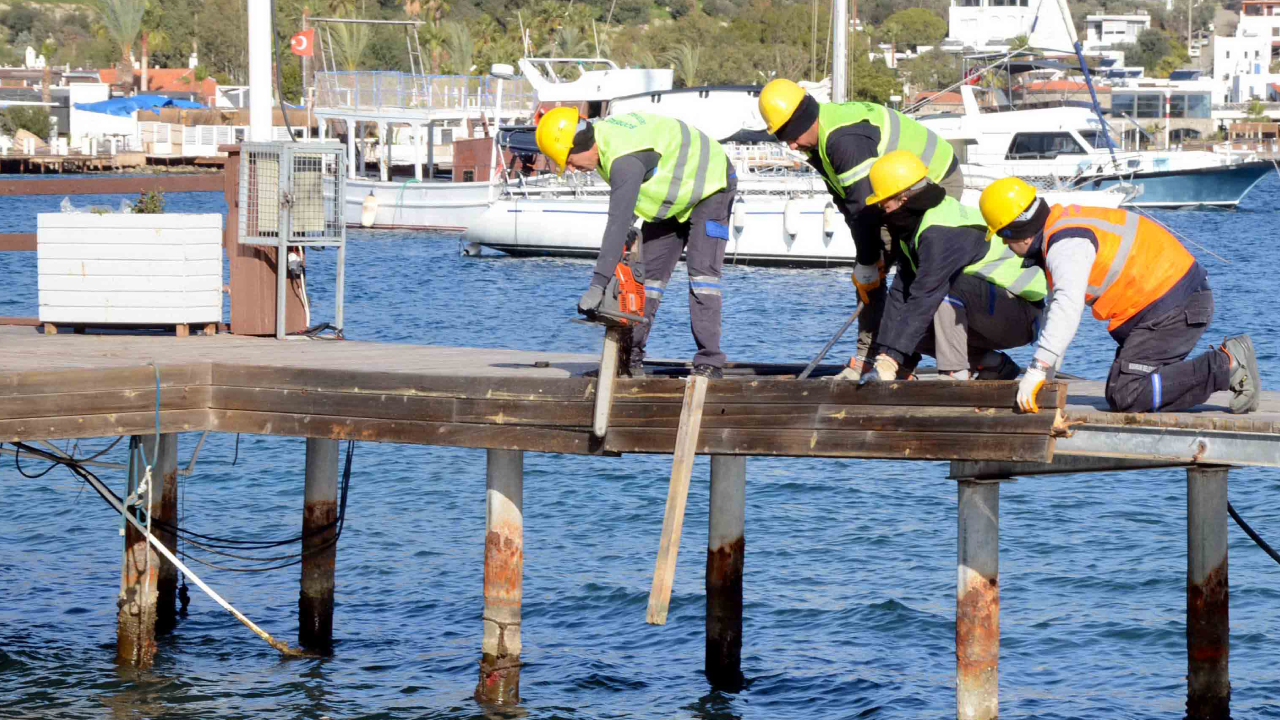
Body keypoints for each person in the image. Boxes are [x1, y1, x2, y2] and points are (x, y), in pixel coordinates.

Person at [978, 177, 1261, 414]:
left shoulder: (1066, 245)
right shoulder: (1059, 226)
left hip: (1175, 307)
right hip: (1166, 305)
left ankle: (1228, 364)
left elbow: (1066, 308)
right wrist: (1046, 375)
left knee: (1127, 394)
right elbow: (1056, 312)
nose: (1004, 244)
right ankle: (1221, 368)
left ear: (1018, 232)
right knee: (1121, 390)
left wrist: (1037, 370)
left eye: (1003, 237)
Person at [757, 78, 964, 380]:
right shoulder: (817, 142)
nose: (790, 145)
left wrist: (869, 261)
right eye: (782, 138)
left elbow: (864, 210)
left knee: (913, 269)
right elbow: (847, 204)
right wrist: (866, 261)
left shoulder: (843, 139)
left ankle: (906, 361)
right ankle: (869, 357)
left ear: (804, 119)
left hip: (932, 180)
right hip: (890, 194)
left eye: (789, 135)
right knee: (868, 276)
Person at [535, 107, 737, 379]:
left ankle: (710, 363)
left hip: (711, 185)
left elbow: (615, 223)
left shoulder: (623, 160)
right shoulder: (603, 146)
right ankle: (628, 361)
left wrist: (597, 284)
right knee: (646, 280)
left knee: (703, 276)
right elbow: (628, 205)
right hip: (674, 196)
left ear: (583, 145)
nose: (571, 168)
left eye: (569, 160)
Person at [858, 151, 1046, 382]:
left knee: (941, 291)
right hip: (986, 310)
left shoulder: (939, 232)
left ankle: (954, 378)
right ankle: (994, 364)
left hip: (1022, 313)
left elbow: (926, 294)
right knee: (906, 322)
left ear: (903, 197)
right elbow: (900, 293)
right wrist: (885, 356)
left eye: (883, 199)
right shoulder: (914, 227)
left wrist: (892, 358)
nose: (879, 205)